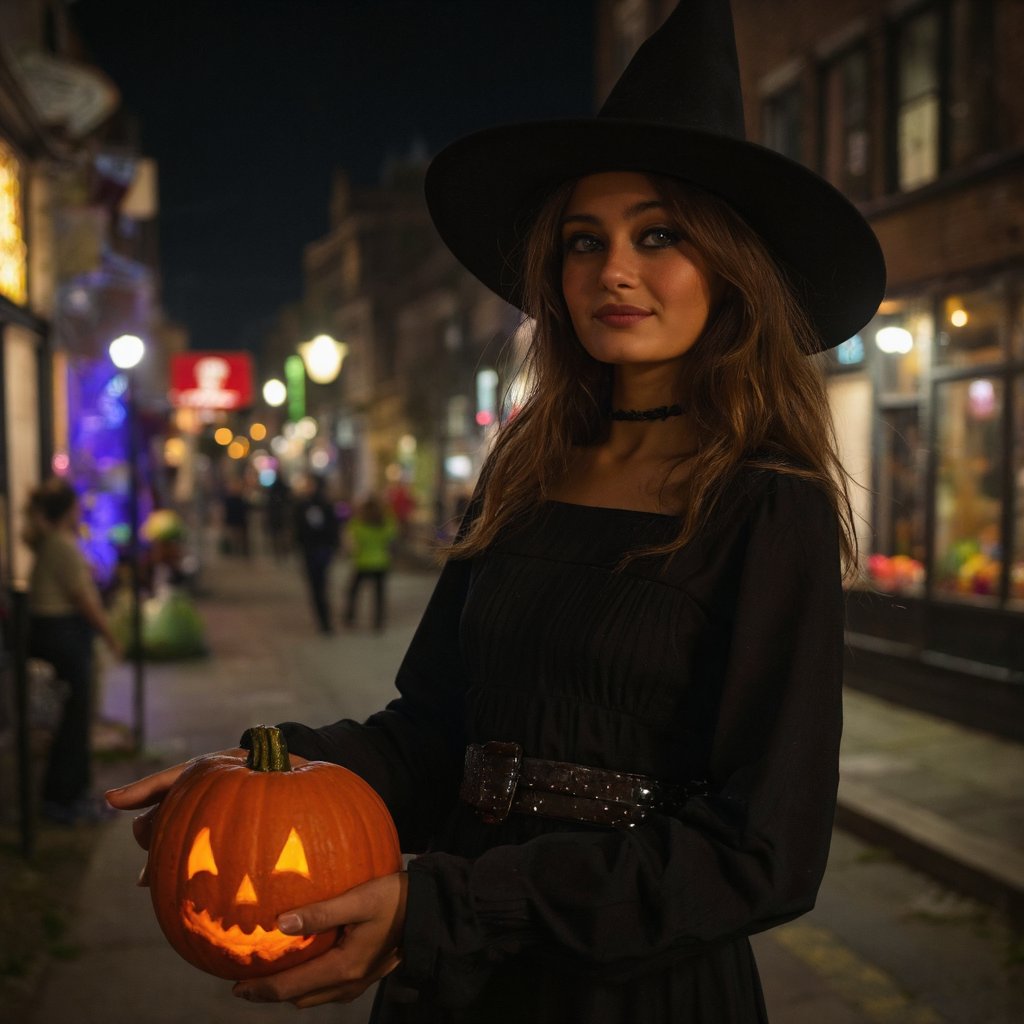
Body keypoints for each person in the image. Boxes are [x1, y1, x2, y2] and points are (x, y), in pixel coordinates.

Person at [107, 2, 885, 1020]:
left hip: (632, 985)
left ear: (728, 266)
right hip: (457, 981)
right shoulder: (523, 473)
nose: (612, 270)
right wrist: (276, 771)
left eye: (659, 235)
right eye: (581, 240)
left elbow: (763, 852)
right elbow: (436, 728)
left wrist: (455, 904)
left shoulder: (766, 505)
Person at [25, 478, 122, 824]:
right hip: (63, 634)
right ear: (69, 508)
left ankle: (70, 796)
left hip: (56, 633)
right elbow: (83, 598)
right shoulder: (61, 545)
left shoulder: (55, 543)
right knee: (74, 719)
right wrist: (110, 635)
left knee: (74, 718)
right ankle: (65, 799)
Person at [293, 473, 340, 634]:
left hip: (322, 550)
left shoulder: (326, 505)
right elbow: (298, 529)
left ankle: (326, 621)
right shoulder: (302, 505)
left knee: (321, 586)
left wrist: (332, 546)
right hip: (309, 551)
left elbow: (333, 528)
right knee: (316, 588)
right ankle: (323, 621)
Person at [343, 494, 397, 631]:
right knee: (379, 594)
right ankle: (378, 622)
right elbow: (392, 537)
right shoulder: (386, 522)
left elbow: (350, 542)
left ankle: (350, 617)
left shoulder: (357, 523)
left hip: (362, 562)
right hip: (381, 562)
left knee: (353, 591)